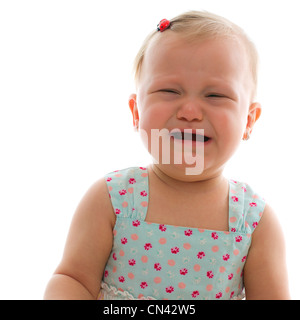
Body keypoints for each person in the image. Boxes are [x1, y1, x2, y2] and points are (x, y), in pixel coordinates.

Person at [44, 11, 290, 300]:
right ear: (136, 112)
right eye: (169, 91)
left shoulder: (253, 223)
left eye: (215, 96)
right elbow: (73, 279)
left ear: (249, 120)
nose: (189, 112)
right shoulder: (113, 199)